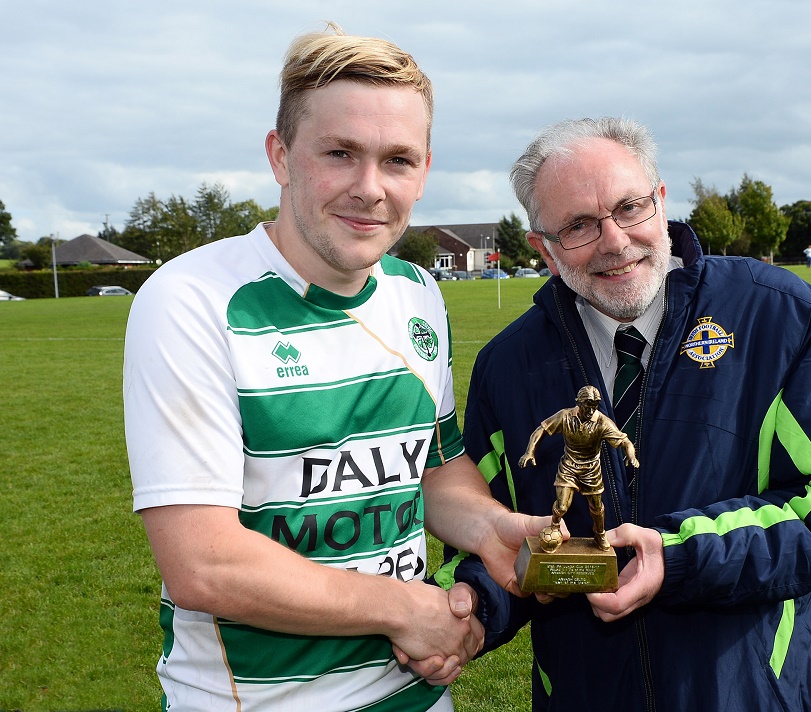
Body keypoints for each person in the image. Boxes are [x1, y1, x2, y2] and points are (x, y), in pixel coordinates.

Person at [123, 23, 545, 711]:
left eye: (398, 160)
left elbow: (433, 470)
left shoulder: (417, 293)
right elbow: (203, 562)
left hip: (417, 694)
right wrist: (401, 608)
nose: (370, 188)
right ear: (281, 155)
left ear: (426, 169)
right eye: (340, 153)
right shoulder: (192, 300)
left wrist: (490, 527)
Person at [444, 117, 811, 711]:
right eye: (578, 226)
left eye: (630, 208)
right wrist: (472, 608)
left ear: (660, 200)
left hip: (755, 694)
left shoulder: (775, 315)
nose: (615, 241)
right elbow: (492, 532)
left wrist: (676, 555)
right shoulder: (507, 365)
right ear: (543, 249)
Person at [519, 385, 639, 551]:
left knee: (596, 507)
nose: (590, 411)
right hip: (569, 466)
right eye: (587, 406)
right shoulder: (565, 416)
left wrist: (631, 456)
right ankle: (554, 527)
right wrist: (529, 452)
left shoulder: (602, 422)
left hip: (591, 469)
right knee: (561, 506)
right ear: (578, 403)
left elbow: (624, 441)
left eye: (594, 407)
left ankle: (600, 533)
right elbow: (541, 430)